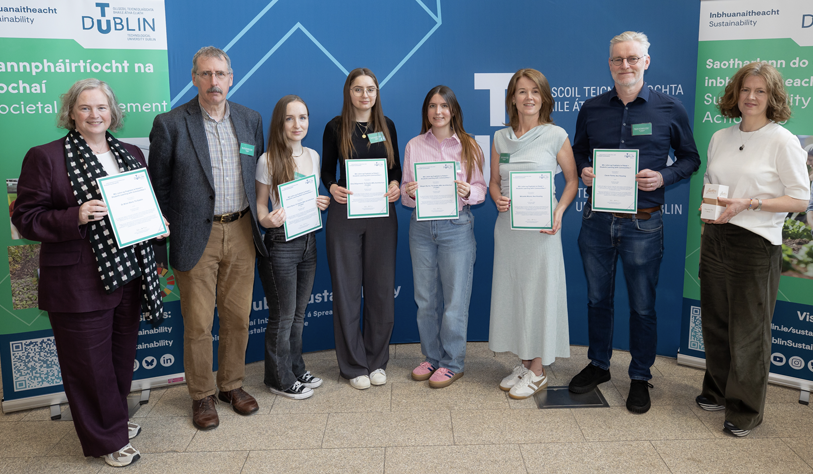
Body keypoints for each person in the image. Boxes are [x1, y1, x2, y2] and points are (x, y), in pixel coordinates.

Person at [12, 78, 168, 467]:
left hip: (129, 274)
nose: (94, 115)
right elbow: (25, 219)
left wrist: (157, 222)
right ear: (71, 113)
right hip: (78, 281)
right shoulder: (46, 157)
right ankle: (106, 440)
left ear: (113, 112)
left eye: (102, 107)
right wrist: (75, 215)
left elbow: (141, 205)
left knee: (118, 357)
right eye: (85, 108)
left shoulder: (131, 152)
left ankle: (112, 421)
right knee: (88, 365)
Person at [569, 31, 701, 413]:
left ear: (646, 61)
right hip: (597, 221)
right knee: (598, 300)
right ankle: (599, 365)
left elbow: (691, 158)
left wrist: (664, 177)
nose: (624, 65)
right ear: (609, 63)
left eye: (631, 58)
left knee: (643, 306)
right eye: (617, 59)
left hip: (643, 224)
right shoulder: (591, 108)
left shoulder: (669, 108)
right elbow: (578, 150)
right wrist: (584, 168)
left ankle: (640, 376)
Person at [148, 46, 267, 430]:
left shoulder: (251, 120)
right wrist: (173, 227)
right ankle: (201, 395)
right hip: (194, 233)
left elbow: (259, 174)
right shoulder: (170, 123)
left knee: (237, 317)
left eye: (220, 74)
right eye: (205, 74)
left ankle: (231, 385)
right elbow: (159, 187)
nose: (213, 82)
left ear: (231, 77)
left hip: (243, 229)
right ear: (195, 78)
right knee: (198, 323)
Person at [697, 62, 808, 437]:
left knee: (748, 330)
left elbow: (800, 200)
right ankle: (716, 390)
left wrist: (752, 203)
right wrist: (709, 203)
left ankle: (745, 410)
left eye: (760, 91)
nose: (752, 97)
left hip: (755, 242)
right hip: (715, 236)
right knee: (714, 320)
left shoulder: (782, 140)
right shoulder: (720, 136)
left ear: (772, 96)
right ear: (736, 93)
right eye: (746, 89)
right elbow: (713, 182)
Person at [488, 69, 578, 400]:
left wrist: (558, 212)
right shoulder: (500, 138)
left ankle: (538, 370)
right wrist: (496, 195)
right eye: (522, 91)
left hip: (542, 229)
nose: (528, 98)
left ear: (544, 98)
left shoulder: (555, 135)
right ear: (512, 97)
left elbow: (571, 180)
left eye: (535, 92)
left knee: (539, 293)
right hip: (509, 230)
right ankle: (525, 363)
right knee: (515, 292)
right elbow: (494, 180)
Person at [401, 85, 487, 388]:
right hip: (421, 228)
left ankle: (452, 362)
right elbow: (405, 195)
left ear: (453, 111)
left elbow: (481, 189)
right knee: (425, 300)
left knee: (454, 301)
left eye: (444, 106)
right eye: (432, 106)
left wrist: (469, 191)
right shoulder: (413, 145)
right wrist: (409, 193)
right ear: (426, 111)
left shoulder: (469, 145)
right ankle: (432, 357)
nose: (438, 112)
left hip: (456, 227)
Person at [321, 68, 401, 390]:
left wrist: (395, 184)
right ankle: (354, 365)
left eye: (370, 89)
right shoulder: (335, 127)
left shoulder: (387, 126)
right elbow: (327, 169)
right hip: (346, 214)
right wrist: (331, 186)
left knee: (381, 291)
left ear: (377, 93)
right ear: (348, 92)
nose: (364, 95)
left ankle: (377, 361)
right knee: (347, 291)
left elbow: (394, 168)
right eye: (358, 89)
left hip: (382, 213)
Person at [256, 95, 330, 400]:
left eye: (303, 117)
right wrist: (268, 220)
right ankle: (279, 378)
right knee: (283, 316)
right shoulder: (268, 159)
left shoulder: (313, 155)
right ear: (279, 122)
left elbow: (307, 198)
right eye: (290, 118)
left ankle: (296, 368)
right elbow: (260, 206)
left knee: (299, 314)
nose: (297, 124)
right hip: (281, 245)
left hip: (308, 242)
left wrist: (318, 202)